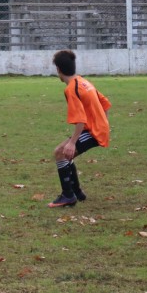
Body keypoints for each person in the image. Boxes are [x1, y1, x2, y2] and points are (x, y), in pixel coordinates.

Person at [48, 50, 111, 208]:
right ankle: (77, 192)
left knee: (61, 152)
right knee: (65, 153)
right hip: (96, 129)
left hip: (93, 131)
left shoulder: (72, 88)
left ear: (58, 70)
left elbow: (80, 119)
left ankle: (68, 195)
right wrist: (102, 123)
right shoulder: (84, 82)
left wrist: (72, 142)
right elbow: (105, 104)